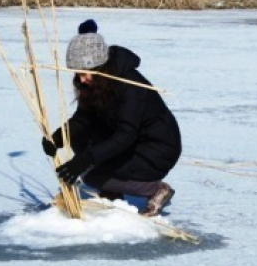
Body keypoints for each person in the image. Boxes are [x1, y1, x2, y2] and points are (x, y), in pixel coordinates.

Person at [41, 19, 182, 217]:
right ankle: (112, 190)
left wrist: (86, 159)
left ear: (99, 67)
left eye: (84, 73)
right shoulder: (97, 83)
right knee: (83, 142)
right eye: (77, 74)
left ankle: (156, 190)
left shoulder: (130, 86)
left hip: (156, 148)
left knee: (91, 175)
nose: (81, 80)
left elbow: (126, 135)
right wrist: (58, 137)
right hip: (128, 142)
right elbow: (83, 119)